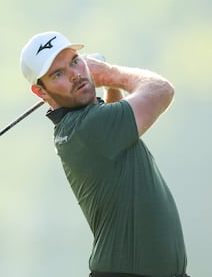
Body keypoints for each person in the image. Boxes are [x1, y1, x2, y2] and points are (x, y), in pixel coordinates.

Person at [19, 31, 190, 277]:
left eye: (75, 61)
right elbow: (161, 91)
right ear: (41, 92)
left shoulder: (81, 127)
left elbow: (116, 126)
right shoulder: (88, 127)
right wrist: (110, 74)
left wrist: (108, 85)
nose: (75, 75)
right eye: (58, 74)